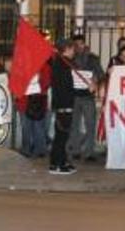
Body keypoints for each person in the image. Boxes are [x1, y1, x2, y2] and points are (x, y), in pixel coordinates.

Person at [67, 34, 104, 162]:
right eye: (76, 45)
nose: (78, 47)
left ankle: (89, 151)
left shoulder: (93, 58)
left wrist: (95, 81)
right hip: (73, 95)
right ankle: (75, 150)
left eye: (80, 44)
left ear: (84, 44)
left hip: (88, 96)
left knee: (90, 124)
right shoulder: (68, 59)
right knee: (74, 124)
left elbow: (100, 74)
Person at [49, 39, 77, 175]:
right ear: (66, 49)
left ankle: (61, 161)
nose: (74, 51)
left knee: (62, 135)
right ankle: (57, 165)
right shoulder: (62, 65)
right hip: (63, 105)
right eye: (72, 49)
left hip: (63, 104)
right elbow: (66, 86)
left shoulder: (63, 63)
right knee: (61, 136)